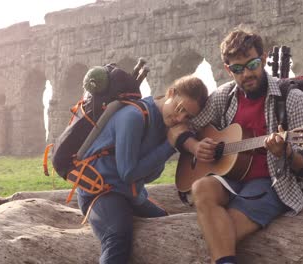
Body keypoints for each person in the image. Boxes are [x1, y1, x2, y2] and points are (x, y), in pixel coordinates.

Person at [176, 27, 303, 264]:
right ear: (228, 69)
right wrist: (194, 146)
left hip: (274, 183)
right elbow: (181, 126)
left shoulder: (292, 99)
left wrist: (287, 153)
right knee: (201, 186)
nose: (246, 74)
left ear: (263, 59)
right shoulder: (224, 97)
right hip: (231, 179)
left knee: (221, 235)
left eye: (252, 64)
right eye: (237, 69)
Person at [77, 75, 208, 264]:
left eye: (187, 116)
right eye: (180, 109)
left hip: (130, 194)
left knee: (165, 221)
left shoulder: (165, 124)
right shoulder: (133, 116)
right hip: (99, 193)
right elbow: (128, 173)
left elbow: (150, 175)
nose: (180, 118)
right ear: (170, 93)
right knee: (118, 237)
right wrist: (169, 145)